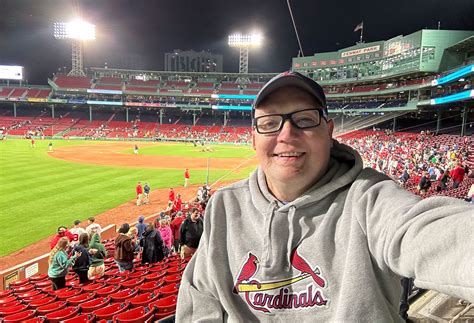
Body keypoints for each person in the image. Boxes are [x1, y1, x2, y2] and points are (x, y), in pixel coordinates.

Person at [176, 71, 474, 321]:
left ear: (328, 132)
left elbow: (428, 232)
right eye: (269, 123)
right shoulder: (224, 206)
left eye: (304, 119)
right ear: (253, 138)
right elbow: (200, 299)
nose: (286, 134)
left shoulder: (369, 199)